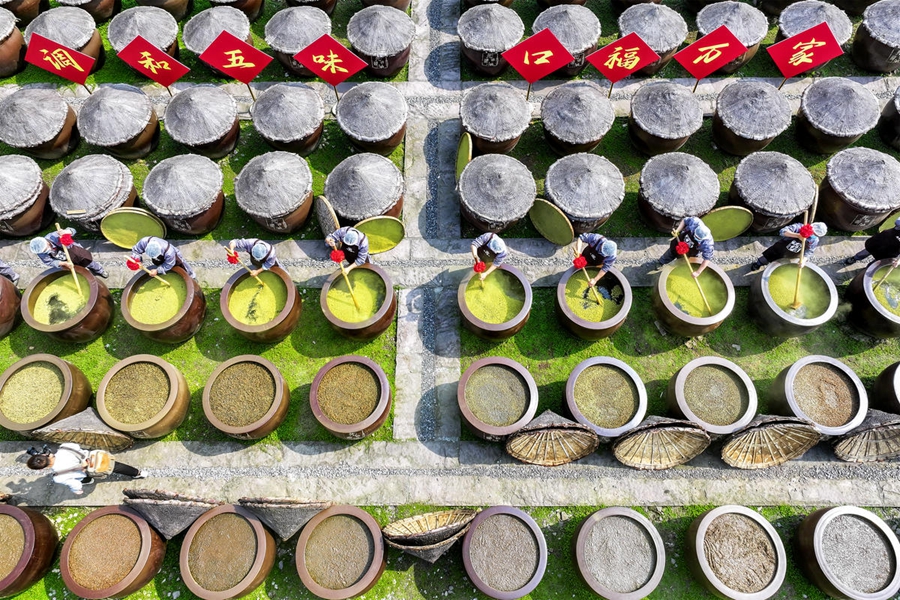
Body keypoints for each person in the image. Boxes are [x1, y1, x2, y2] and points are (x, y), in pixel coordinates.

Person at [25, 443, 146, 496]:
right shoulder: (64, 447)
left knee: (81, 479)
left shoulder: (58, 477)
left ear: (41, 470)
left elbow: (75, 484)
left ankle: (89, 480)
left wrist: (77, 491)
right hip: (94, 457)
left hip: (89, 470)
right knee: (117, 466)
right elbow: (77, 447)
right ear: (44, 454)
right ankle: (138, 473)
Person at [29, 228, 108, 279]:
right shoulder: (40, 252)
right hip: (65, 260)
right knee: (77, 270)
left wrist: (67, 232)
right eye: (44, 251)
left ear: (46, 242)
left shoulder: (54, 236)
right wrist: (63, 263)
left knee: (89, 262)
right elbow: (49, 262)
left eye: (46, 249)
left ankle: (100, 271)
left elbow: (73, 230)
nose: (46, 251)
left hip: (76, 252)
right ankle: (87, 277)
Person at [750, 222, 827, 271]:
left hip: (792, 254)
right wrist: (797, 235)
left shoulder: (814, 240)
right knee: (767, 257)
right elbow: (782, 231)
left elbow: (809, 251)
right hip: (779, 248)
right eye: (813, 233)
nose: (813, 235)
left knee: (779, 264)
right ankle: (758, 264)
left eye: (815, 235)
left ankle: (771, 270)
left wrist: (803, 260)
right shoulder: (799, 227)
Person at [130, 236, 196, 280]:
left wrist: (157, 270)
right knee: (159, 263)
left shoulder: (170, 252)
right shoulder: (144, 241)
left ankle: (192, 276)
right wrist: (137, 260)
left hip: (175, 257)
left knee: (183, 266)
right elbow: (136, 251)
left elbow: (168, 264)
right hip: (162, 256)